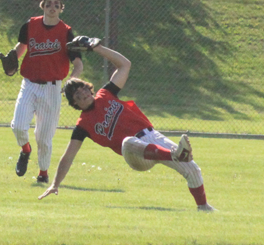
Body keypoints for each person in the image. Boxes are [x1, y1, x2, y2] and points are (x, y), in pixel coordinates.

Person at [38, 37, 216, 211]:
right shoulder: (83, 125)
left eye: (83, 88)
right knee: (128, 142)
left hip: (152, 136)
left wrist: (97, 48)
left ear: (89, 88)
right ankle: (176, 154)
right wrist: (55, 184)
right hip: (136, 155)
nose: (83, 94)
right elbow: (68, 156)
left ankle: (204, 207)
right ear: (75, 104)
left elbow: (125, 65)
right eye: (77, 96)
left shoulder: (105, 94)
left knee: (192, 169)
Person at [11, 0, 83, 184]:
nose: (52, 7)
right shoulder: (30, 25)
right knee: (18, 126)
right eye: (49, 3)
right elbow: (21, 48)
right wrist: (11, 59)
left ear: (61, 9)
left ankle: (43, 173)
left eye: (56, 4)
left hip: (52, 88)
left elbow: (78, 64)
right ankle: (25, 150)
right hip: (29, 85)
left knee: (44, 137)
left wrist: (71, 80)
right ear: (43, 6)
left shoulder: (67, 32)